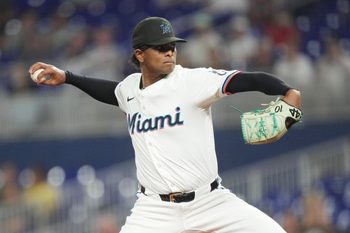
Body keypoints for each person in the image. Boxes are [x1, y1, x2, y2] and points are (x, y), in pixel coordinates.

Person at [29, 17, 301, 233]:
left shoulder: (193, 81)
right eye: (161, 47)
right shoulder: (129, 90)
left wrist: (288, 91)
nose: (170, 51)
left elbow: (247, 79)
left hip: (210, 201)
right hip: (154, 209)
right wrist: (67, 77)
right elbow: (111, 92)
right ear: (140, 54)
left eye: (172, 45)